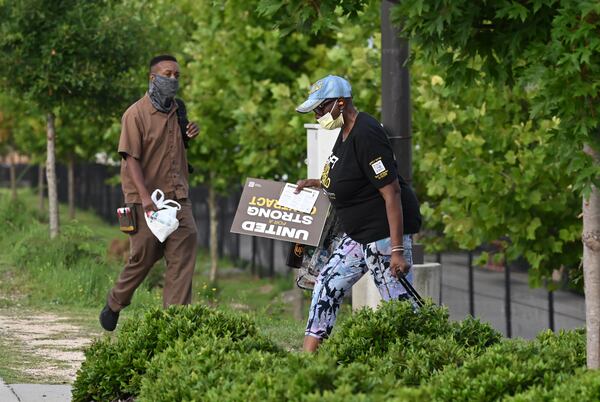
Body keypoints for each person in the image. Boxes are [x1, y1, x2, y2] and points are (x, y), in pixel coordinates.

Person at [295, 75, 422, 352]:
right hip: (358, 235)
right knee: (326, 284)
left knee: (401, 309)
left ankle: (424, 362)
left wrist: (397, 250)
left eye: (320, 108)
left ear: (341, 103)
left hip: (382, 236)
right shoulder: (345, 132)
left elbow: (392, 192)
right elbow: (351, 176)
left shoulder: (366, 133)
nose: (318, 115)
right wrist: (318, 182)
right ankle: (305, 360)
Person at [99, 55, 200, 331]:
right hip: (145, 201)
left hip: (177, 199)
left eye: (177, 76)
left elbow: (175, 147)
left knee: (182, 259)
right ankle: (115, 301)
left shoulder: (178, 109)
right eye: (168, 74)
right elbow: (130, 159)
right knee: (143, 258)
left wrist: (189, 133)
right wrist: (144, 199)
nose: (173, 80)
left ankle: (173, 326)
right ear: (153, 78)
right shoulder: (135, 114)